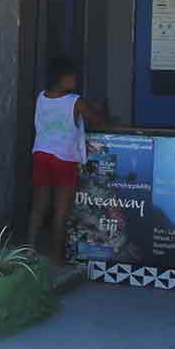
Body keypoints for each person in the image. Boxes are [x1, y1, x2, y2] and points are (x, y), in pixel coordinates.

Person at [29, 57, 104, 263]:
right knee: (61, 210)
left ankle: (29, 249)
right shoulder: (75, 100)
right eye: (71, 77)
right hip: (64, 158)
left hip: (41, 154)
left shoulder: (41, 97)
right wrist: (97, 110)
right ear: (60, 78)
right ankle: (55, 256)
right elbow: (96, 121)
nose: (75, 80)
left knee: (39, 206)